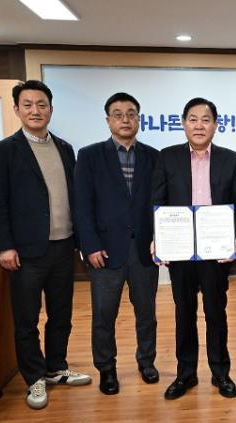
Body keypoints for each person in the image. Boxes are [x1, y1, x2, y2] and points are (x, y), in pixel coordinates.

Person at [0, 80, 91, 410]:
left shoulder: (65, 148)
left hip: (63, 246)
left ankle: (56, 367)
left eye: (42, 104)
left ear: (51, 109)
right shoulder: (4, 150)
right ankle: (34, 376)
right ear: (17, 109)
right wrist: (5, 246)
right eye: (28, 104)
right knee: (27, 319)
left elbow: (75, 197)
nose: (36, 110)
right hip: (26, 251)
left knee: (61, 314)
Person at [151, 97, 236, 400]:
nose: (199, 125)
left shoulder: (231, 159)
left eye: (206, 120)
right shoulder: (167, 157)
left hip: (216, 250)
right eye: (193, 119)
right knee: (184, 313)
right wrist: (157, 237)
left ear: (216, 125)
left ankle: (221, 373)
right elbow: (157, 201)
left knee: (216, 312)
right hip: (180, 249)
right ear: (183, 124)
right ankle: (186, 374)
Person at [74, 92, 160, 396]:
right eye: (118, 114)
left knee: (147, 313)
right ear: (108, 120)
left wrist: (161, 241)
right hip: (105, 251)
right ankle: (106, 368)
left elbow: (160, 204)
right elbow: (81, 205)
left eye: (131, 114)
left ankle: (146, 362)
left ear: (139, 119)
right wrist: (89, 245)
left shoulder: (153, 156)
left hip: (144, 251)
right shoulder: (89, 156)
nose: (125, 119)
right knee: (104, 314)